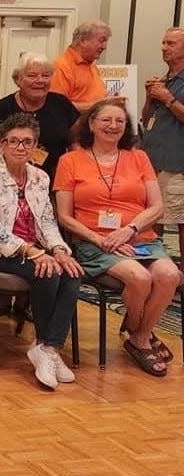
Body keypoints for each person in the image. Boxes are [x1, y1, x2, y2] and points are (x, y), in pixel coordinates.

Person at [55, 99, 180, 376]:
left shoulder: (139, 158)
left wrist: (130, 229)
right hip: (94, 243)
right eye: (106, 120)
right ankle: (141, 336)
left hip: (140, 238)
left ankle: (138, 334)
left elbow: (157, 207)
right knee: (140, 278)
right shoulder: (70, 161)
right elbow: (64, 216)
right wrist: (100, 239)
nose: (113, 126)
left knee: (170, 275)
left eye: (120, 121)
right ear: (91, 124)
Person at [0, 113, 83, 390]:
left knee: (71, 273)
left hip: (35, 249)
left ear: (35, 146)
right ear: (2, 145)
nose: (20, 147)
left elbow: (47, 221)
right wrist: (31, 251)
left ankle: (48, 349)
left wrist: (59, 250)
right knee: (47, 274)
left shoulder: (41, 177)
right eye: (14, 141)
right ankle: (45, 344)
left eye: (27, 142)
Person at [0, 53, 80, 181]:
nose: (40, 81)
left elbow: (76, 143)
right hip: (11, 181)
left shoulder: (62, 104)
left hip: (56, 180)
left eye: (45, 76)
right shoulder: (2, 108)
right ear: (17, 80)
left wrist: (72, 171)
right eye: (32, 76)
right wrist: (5, 173)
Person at [142, 27, 184, 259]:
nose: (164, 48)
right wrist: (150, 97)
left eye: (171, 44)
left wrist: (168, 99)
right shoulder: (164, 78)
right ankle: (155, 265)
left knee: (180, 221)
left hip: (177, 164)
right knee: (153, 218)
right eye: (163, 43)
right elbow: (147, 118)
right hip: (153, 161)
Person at [50, 20, 120, 114]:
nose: (105, 47)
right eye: (102, 40)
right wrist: (101, 105)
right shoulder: (62, 66)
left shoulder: (91, 65)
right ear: (83, 41)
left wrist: (108, 101)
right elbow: (58, 106)